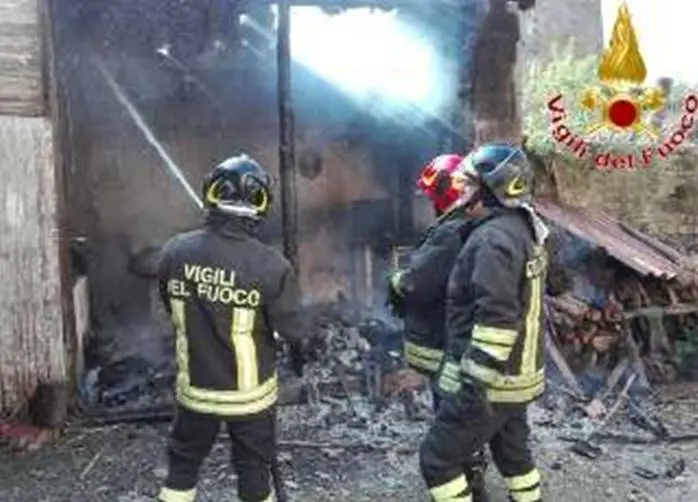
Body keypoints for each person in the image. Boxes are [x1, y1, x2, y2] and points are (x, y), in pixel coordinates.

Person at [156, 154, 308, 502]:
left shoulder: (175, 252)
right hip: (249, 396)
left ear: (210, 193)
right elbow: (293, 329)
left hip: (195, 390)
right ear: (261, 205)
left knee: (183, 465)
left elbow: (170, 304)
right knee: (253, 469)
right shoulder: (271, 265)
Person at [419, 144, 549, 502]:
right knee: (514, 457)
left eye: (469, 183)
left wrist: (471, 388)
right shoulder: (523, 228)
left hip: (491, 382)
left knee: (437, 460)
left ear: (493, 190)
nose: (460, 189)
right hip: (516, 379)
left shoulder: (492, 240)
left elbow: (497, 322)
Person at [387, 154, 489, 502]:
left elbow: (417, 282)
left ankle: (464, 479)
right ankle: (472, 472)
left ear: (447, 192)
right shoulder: (478, 226)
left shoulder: (450, 232)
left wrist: (397, 280)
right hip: (461, 339)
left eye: (433, 195)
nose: (430, 203)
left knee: (450, 417)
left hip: (444, 342)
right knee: (464, 415)